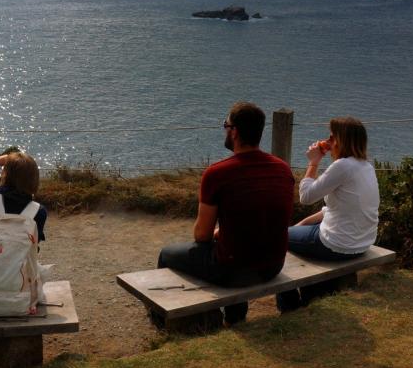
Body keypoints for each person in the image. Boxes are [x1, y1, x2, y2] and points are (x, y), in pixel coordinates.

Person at [157, 102, 295, 325]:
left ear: (235, 131)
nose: (225, 130)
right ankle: (234, 317)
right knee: (230, 246)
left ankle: (173, 322)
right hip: (273, 266)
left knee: (168, 254)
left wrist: (216, 232)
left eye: (225, 125)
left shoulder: (217, 174)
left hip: (233, 271)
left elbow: (201, 235)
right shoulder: (282, 168)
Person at [276, 116, 379, 311]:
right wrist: (301, 226)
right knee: (293, 234)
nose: (328, 141)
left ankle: (288, 306)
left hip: (336, 244)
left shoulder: (342, 166)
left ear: (341, 141)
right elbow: (335, 209)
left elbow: (305, 196)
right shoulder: (366, 166)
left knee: (276, 238)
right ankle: (311, 294)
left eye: (332, 137)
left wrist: (313, 163)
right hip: (361, 242)